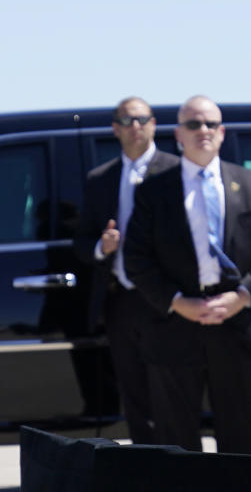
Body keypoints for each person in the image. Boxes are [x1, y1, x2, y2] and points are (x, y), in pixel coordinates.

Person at [123, 95, 251, 454]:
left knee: (242, 441)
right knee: (176, 444)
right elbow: (136, 258)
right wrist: (177, 302)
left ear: (222, 132)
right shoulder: (153, 190)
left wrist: (240, 296)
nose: (204, 131)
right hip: (174, 330)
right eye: (194, 124)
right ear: (178, 135)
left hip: (236, 327)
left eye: (211, 124)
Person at [73, 97, 179, 443]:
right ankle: (144, 471)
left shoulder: (177, 171)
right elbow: (81, 239)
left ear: (154, 125)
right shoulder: (100, 179)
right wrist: (101, 247)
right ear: (115, 128)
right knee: (133, 394)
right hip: (120, 301)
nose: (136, 126)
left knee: (172, 391)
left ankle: (179, 469)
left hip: (166, 300)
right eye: (128, 120)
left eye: (143, 119)